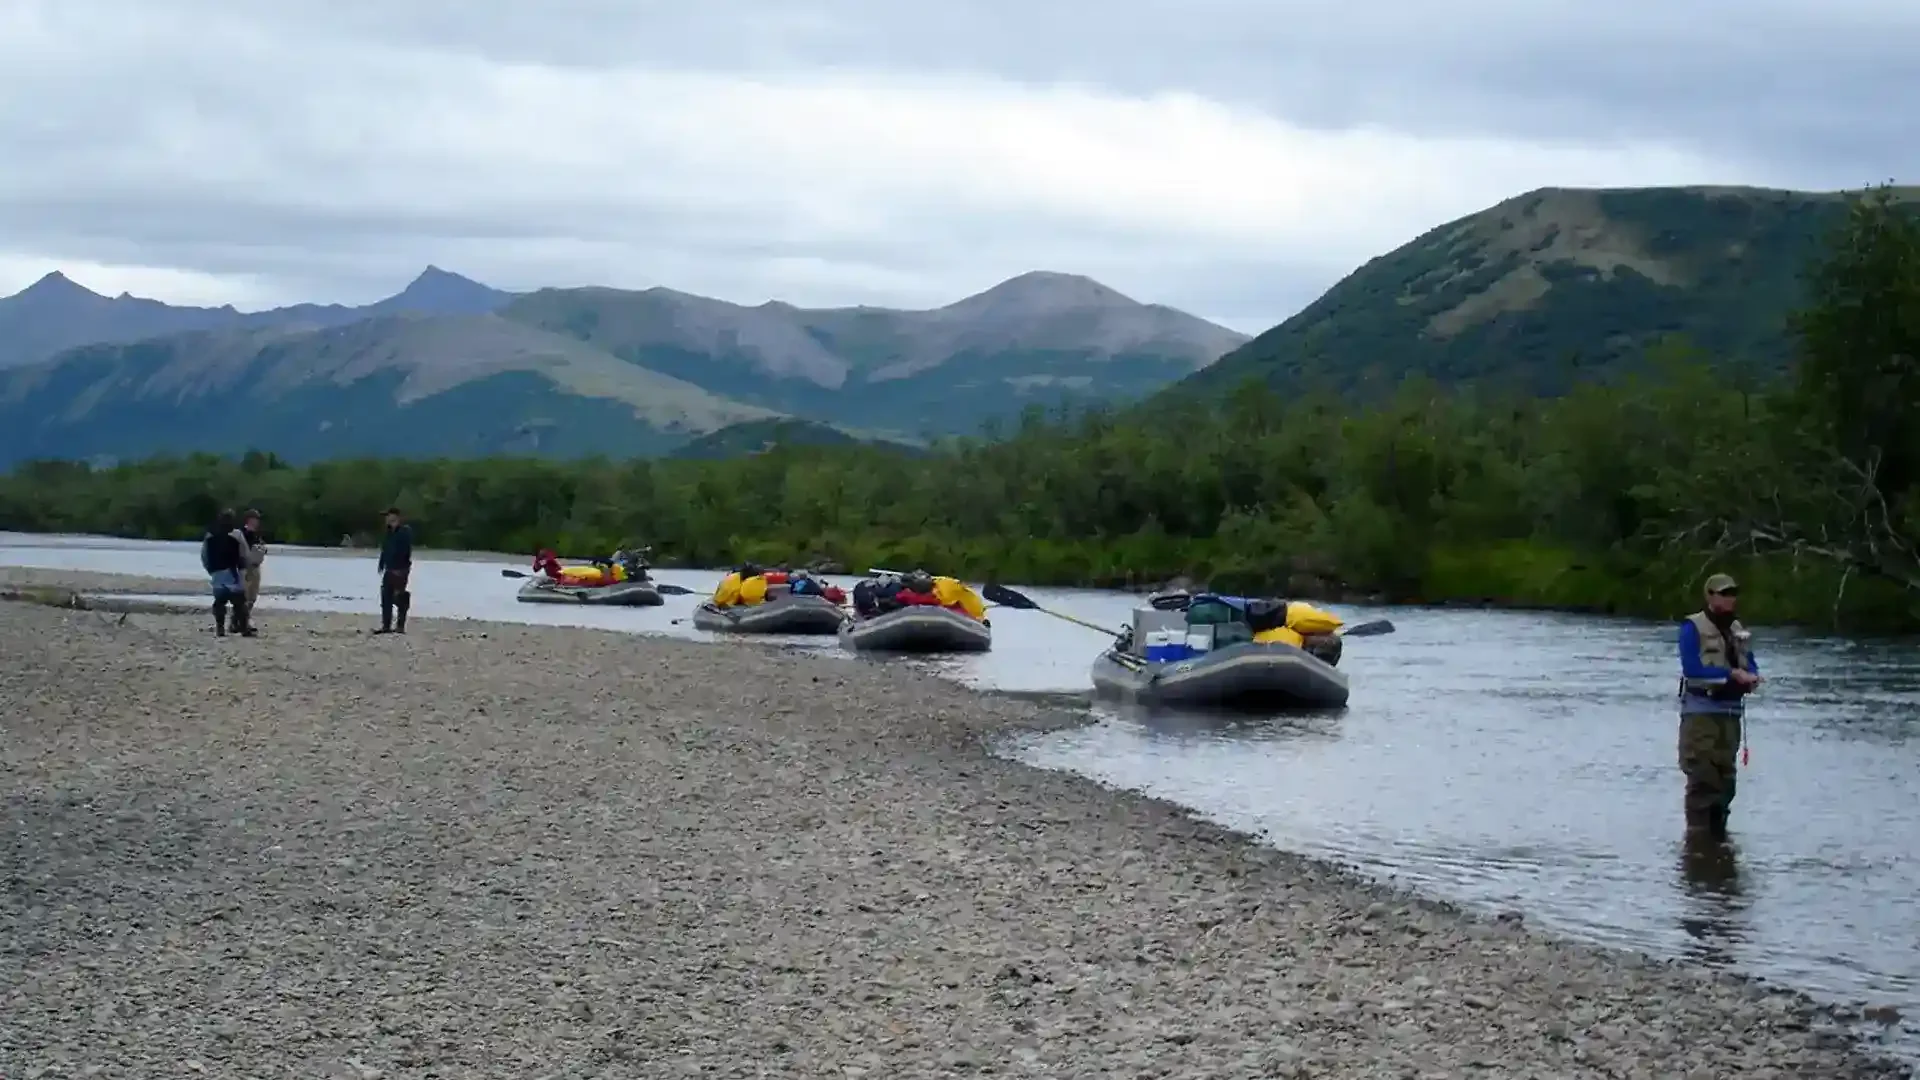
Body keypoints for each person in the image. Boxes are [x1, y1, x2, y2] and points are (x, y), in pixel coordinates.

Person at [1676, 573, 1763, 839]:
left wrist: (1753, 678)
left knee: (1726, 783)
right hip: (1700, 713)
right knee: (1703, 778)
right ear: (1710, 596)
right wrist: (1730, 676)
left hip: (1730, 715)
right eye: (1723, 593)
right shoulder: (1692, 627)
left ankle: (1717, 842)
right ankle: (1698, 843)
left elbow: (1750, 661)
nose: (1729, 598)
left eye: (1732, 593)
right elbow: (1692, 670)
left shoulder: (1738, 629)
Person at [200, 509, 253, 637]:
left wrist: (210, 570)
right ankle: (244, 628)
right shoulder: (237, 534)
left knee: (219, 602)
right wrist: (245, 569)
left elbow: (204, 556)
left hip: (217, 573)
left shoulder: (209, 535)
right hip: (233, 572)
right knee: (239, 603)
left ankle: (220, 628)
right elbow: (244, 554)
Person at [375, 506, 414, 634]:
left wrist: (401, 568)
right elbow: (385, 549)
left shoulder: (404, 531)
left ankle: (400, 625)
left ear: (395, 516)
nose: (386, 518)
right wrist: (381, 564)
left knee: (399, 596)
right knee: (386, 596)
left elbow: (406, 551)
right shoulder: (388, 532)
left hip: (400, 569)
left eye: (388, 515)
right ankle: (386, 626)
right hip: (389, 568)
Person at [238, 509, 268, 634]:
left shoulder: (257, 534)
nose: (257, 522)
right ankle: (243, 621)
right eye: (255, 519)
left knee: (252, 596)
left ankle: (243, 619)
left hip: (256, 566)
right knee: (245, 596)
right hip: (247, 567)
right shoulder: (243, 533)